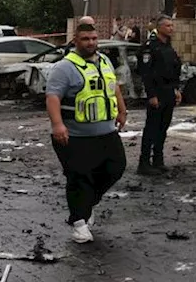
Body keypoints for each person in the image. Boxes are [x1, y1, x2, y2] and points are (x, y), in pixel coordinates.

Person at [45, 23, 127, 243]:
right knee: (79, 177)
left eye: (93, 38)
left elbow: (113, 86)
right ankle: (79, 223)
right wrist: (57, 125)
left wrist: (121, 109)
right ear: (75, 40)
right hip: (75, 136)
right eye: (85, 39)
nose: (90, 42)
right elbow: (53, 97)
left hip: (106, 132)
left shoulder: (104, 61)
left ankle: (87, 205)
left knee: (115, 168)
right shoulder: (64, 67)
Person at [138, 16, 181, 175]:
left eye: (172, 25)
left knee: (163, 128)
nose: (171, 28)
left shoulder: (168, 46)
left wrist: (176, 89)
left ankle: (158, 159)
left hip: (169, 92)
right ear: (160, 27)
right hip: (157, 92)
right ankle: (144, 163)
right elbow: (146, 73)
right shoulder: (150, 47)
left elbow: (175, 69)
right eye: (168, 26)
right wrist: (151, 95)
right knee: (151, 128)